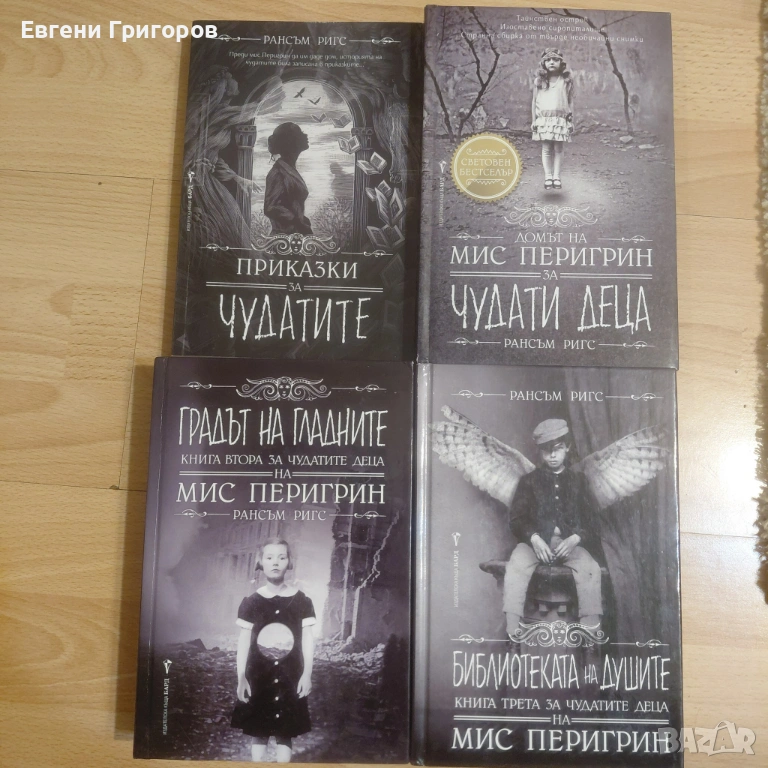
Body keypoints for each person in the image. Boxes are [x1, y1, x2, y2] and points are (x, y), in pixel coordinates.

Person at [503, 419, 602, 638]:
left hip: (570, 546)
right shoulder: (528, 481)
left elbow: (593, 520)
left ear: (567, 447)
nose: (553, 455)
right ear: (540, 452)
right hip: (535, 546)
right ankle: (512, 633)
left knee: (590, 569)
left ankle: (591, 637)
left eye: (557, 448)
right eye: (546, 450)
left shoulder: (579, 481)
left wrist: (575, 538)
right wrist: (534, 538)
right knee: (516, 564)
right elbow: (516, 520)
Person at [232, 537, 315, 762]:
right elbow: (243, 641)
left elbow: (308, 639)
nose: (275, 562)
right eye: (269, 557)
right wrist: (241, 677)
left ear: (290, 562)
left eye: (281, 557)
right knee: (258, 732)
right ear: (260, 562)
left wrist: (307, 674)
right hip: (259, 676)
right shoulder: (251, 602)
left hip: (290, 676)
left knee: (285, 733)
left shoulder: (302, 601)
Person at [531, 48, 574, 190]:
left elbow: (570, 101)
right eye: (548, 60)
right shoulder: (539, 81)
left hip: (560, 119)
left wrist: (570, 120)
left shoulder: (566, 81)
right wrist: (534, 120)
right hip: (544, 119)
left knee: (559, 148)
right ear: (543, 63)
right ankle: (548, 176)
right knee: (546, 148)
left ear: (561, 63)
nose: (551, 62)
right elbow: (534, 101)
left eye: (555, 60)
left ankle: (556, 176)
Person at [264, 122, 313, 235]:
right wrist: (298, 221)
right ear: (290, 142)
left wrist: (302, 220)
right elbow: (271, 207)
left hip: (294, 234)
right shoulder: (278, 173)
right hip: (284, 237)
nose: (305, 135)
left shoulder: (288, 169)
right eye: (300, 133)